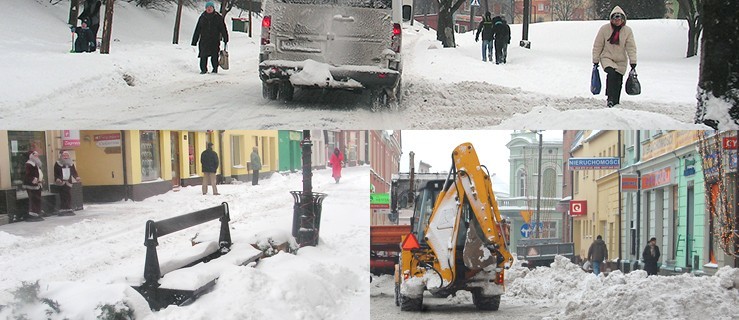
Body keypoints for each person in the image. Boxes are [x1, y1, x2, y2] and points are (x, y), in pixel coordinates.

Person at [592, 6, 637, 108]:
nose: (617, 21)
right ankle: (610, 99)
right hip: (607, 57)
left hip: (621, 60)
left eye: (619, 19)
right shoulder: (604, 29)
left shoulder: (627, 31)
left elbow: (631, 47)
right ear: (611, 19)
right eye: (615, 19)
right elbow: (598, 45)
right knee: (611, 74)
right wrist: (595, 59)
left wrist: (633, 61)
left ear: (623, 19)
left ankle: (616, 101)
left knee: (618, 79)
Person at [192, 2, 229, 74]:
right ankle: (203, 70)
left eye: (210, 7)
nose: (209, 9)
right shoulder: (202, 17)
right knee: (203, 55)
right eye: (207, 7)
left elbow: (223, 28)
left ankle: (215, 69)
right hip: (204, 40)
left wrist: (225, 38)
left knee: (214, 55)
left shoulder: (218, 17)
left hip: (214, 40)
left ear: (213, 8)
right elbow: (197, 29)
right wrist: (194, 41)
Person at [54, 151, 80, 216]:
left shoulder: (71, 163)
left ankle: (68, 207)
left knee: (68, 195)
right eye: (64, 155)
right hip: (61, 182)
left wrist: (76, 177)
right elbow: (56, 173)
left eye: (67, 155)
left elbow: (74, 172)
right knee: (63, 195)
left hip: (68, 182)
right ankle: (63, 208)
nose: (65, 157)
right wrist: (57, 179)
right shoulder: (58, 163)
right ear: (61, 156)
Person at [23, 151, 45, 222]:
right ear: (31, 156)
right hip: (31, 185)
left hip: (38, 184)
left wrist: (41, 179)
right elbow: (27, 175)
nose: (37, 157)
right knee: (33, 199)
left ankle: (37, 212)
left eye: (37, 155)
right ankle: (33, 213)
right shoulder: (29, 164)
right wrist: (34, 179)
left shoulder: (36, 164)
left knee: (37, 199)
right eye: (35, 155)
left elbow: (38, 173)